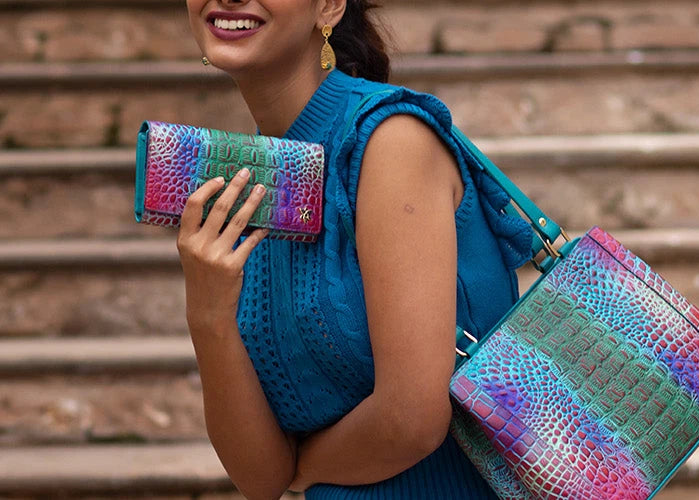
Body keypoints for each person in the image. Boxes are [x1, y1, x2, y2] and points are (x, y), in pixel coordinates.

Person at [171, 0, 538, 498]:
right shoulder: (256, 177)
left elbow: (411, 420)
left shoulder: (390, 142)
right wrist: (208, 313)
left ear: (328, 6)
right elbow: (259, 480)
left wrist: (304, 466)